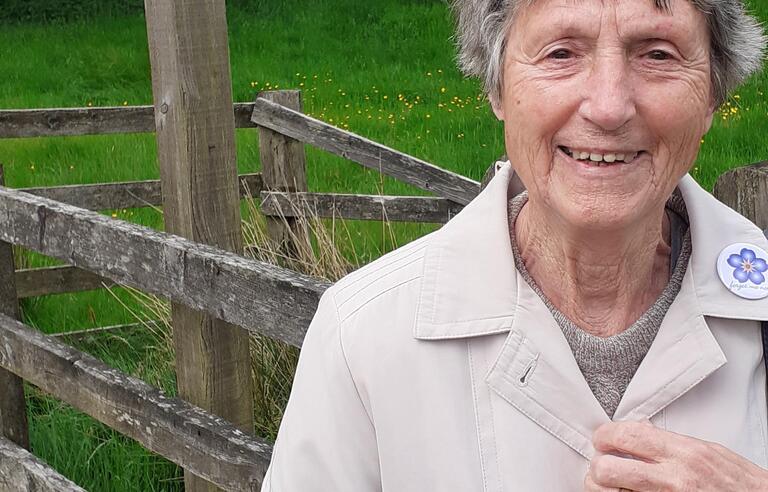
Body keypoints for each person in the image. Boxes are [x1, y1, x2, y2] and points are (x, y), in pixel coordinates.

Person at [261, 0, 768, 490]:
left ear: (712, 94)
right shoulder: (362, 338)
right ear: (496, 86)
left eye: (657, 53)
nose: (609, 106)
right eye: (561, 53)